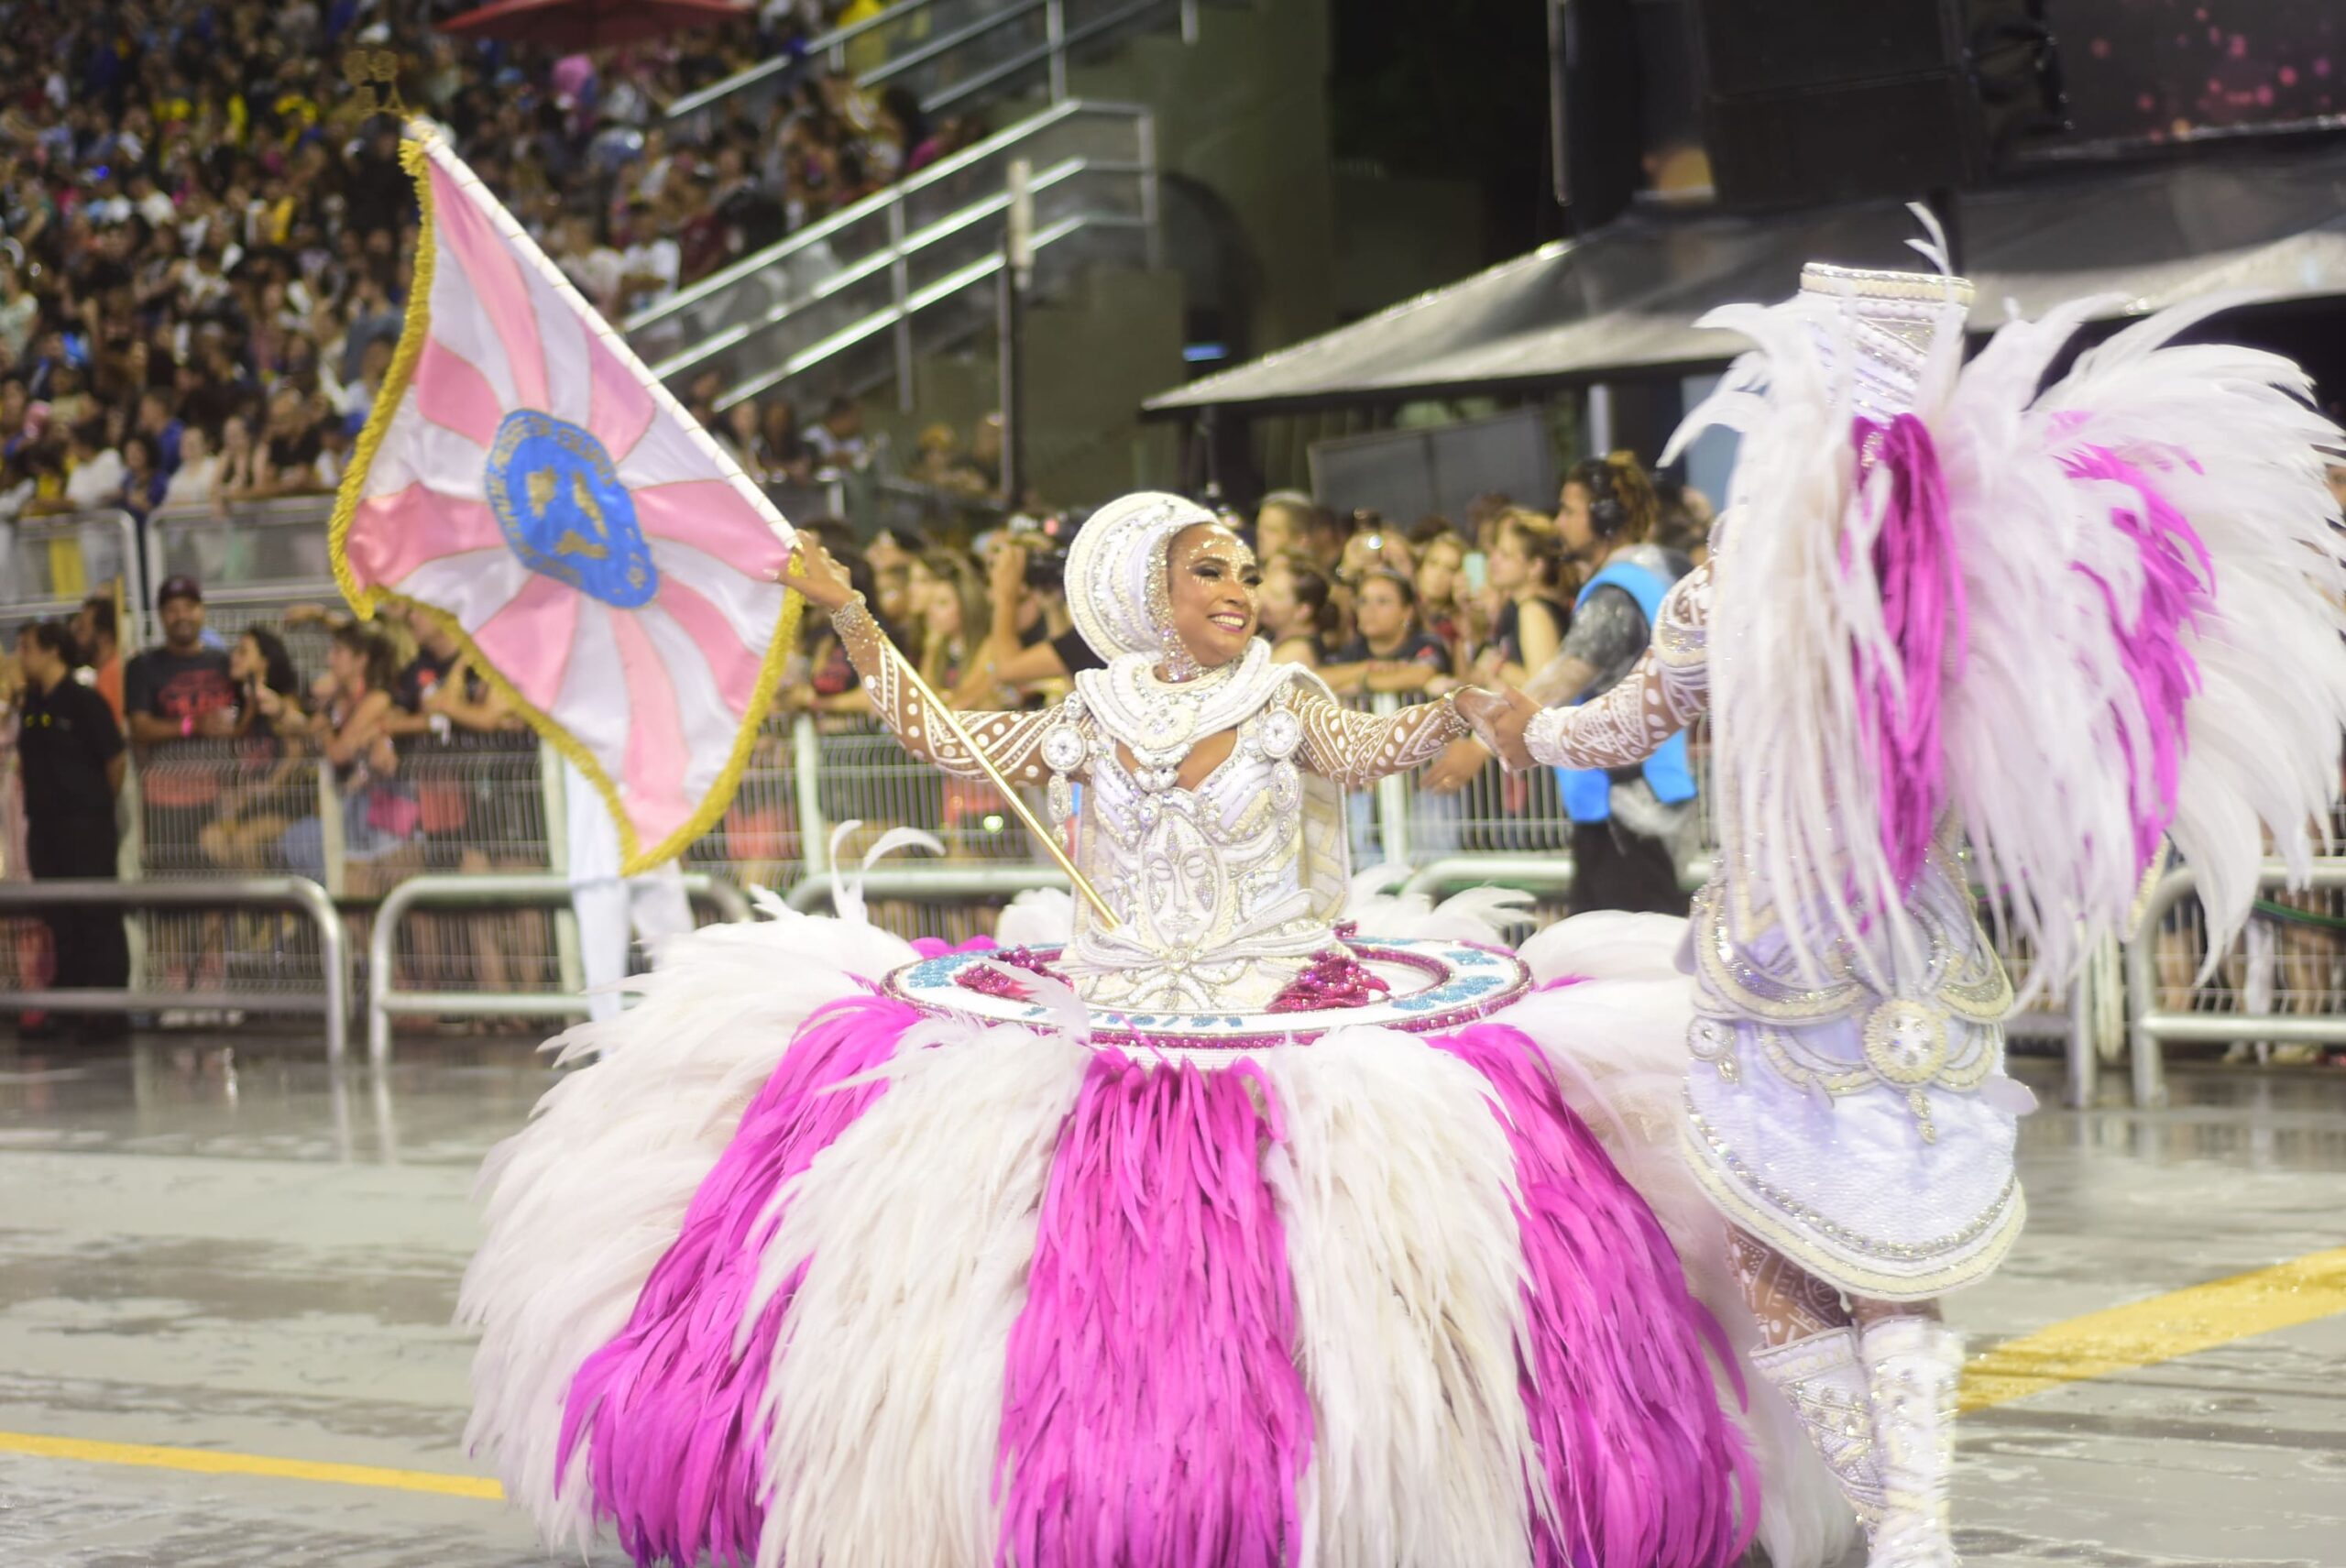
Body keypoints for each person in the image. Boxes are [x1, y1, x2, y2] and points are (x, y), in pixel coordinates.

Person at [462, 491, 1858, 1568]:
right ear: (1141, 591)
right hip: (1112, 1000)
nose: (1241, 588)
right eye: (1211, 569)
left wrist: (1457, 713)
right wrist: (844, 614)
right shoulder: (1084, 713)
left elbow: (1372, 755)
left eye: (1248, 568)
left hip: (1284, 999)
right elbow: (947, 742)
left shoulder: (1288, 698)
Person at [1464, 258, 2346, 1567]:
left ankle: (1897, 1511)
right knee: (1889, 1258)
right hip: (1905, 973)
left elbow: (1615, 722)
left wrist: (1523, 727)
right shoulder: (1954, 600)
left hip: (1774, 972)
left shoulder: (1746, 590)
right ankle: (1910, 1518)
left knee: (1783, 1253)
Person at [1432, 454, 1697, 913]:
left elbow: (1559, 678)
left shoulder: (1617, 589)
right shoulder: (1664, 567)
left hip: (1627, 807)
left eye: (1570, 511)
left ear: (1605, 517)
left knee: (1625, 955)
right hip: (1649, 793)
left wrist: (1481, 744)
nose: (1559, 523)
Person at [12, 619, 127, 1041]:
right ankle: (72, 1008)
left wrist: (94, 808)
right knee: (60, 921)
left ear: (51, 650)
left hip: (86, 828)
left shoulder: (83, 702)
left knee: (95, 917)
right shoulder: (33, 706)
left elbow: (115, 760)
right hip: (45, 828)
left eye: (26, 647)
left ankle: (109, 1013)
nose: (20, 657)